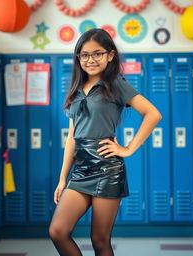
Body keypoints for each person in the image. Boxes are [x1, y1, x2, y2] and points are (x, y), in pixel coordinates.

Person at [49, 28, 162, 256]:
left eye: (97, 54)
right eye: (84, 55)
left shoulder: (116, 85)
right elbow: (72, 138)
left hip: (107, 168)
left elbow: (153, 114)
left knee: (99, 240)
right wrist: (63, 178)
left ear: (110, 55)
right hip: (81, 170)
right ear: (78, 58)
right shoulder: (75, 90)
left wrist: (128, 149)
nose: (90, 60)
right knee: (58, 231)